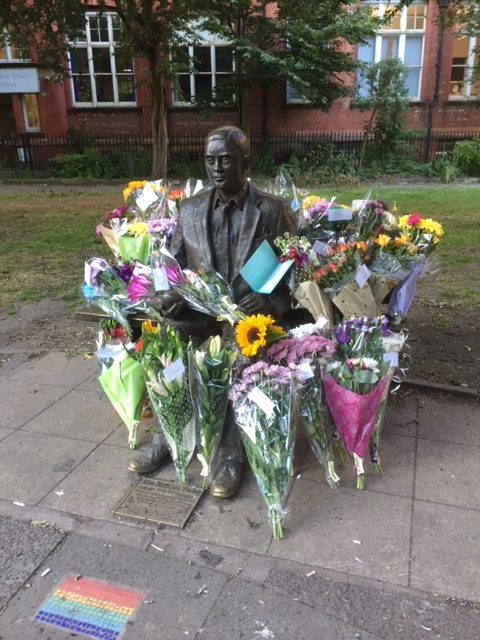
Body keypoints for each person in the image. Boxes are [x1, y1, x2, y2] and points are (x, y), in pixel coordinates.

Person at [129, 126, 295, 498]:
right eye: (210, 160)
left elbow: (296, 273)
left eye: (226, 160)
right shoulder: (188, 210)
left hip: (246, 319)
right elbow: (171, 267)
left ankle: (230, 455)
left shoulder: (271, 210)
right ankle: (169, 438)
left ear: (245, 161)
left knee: (236, 355)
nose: (217, 168)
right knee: (167, 342)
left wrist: (270, 303)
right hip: (198, 313)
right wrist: (167, 295)